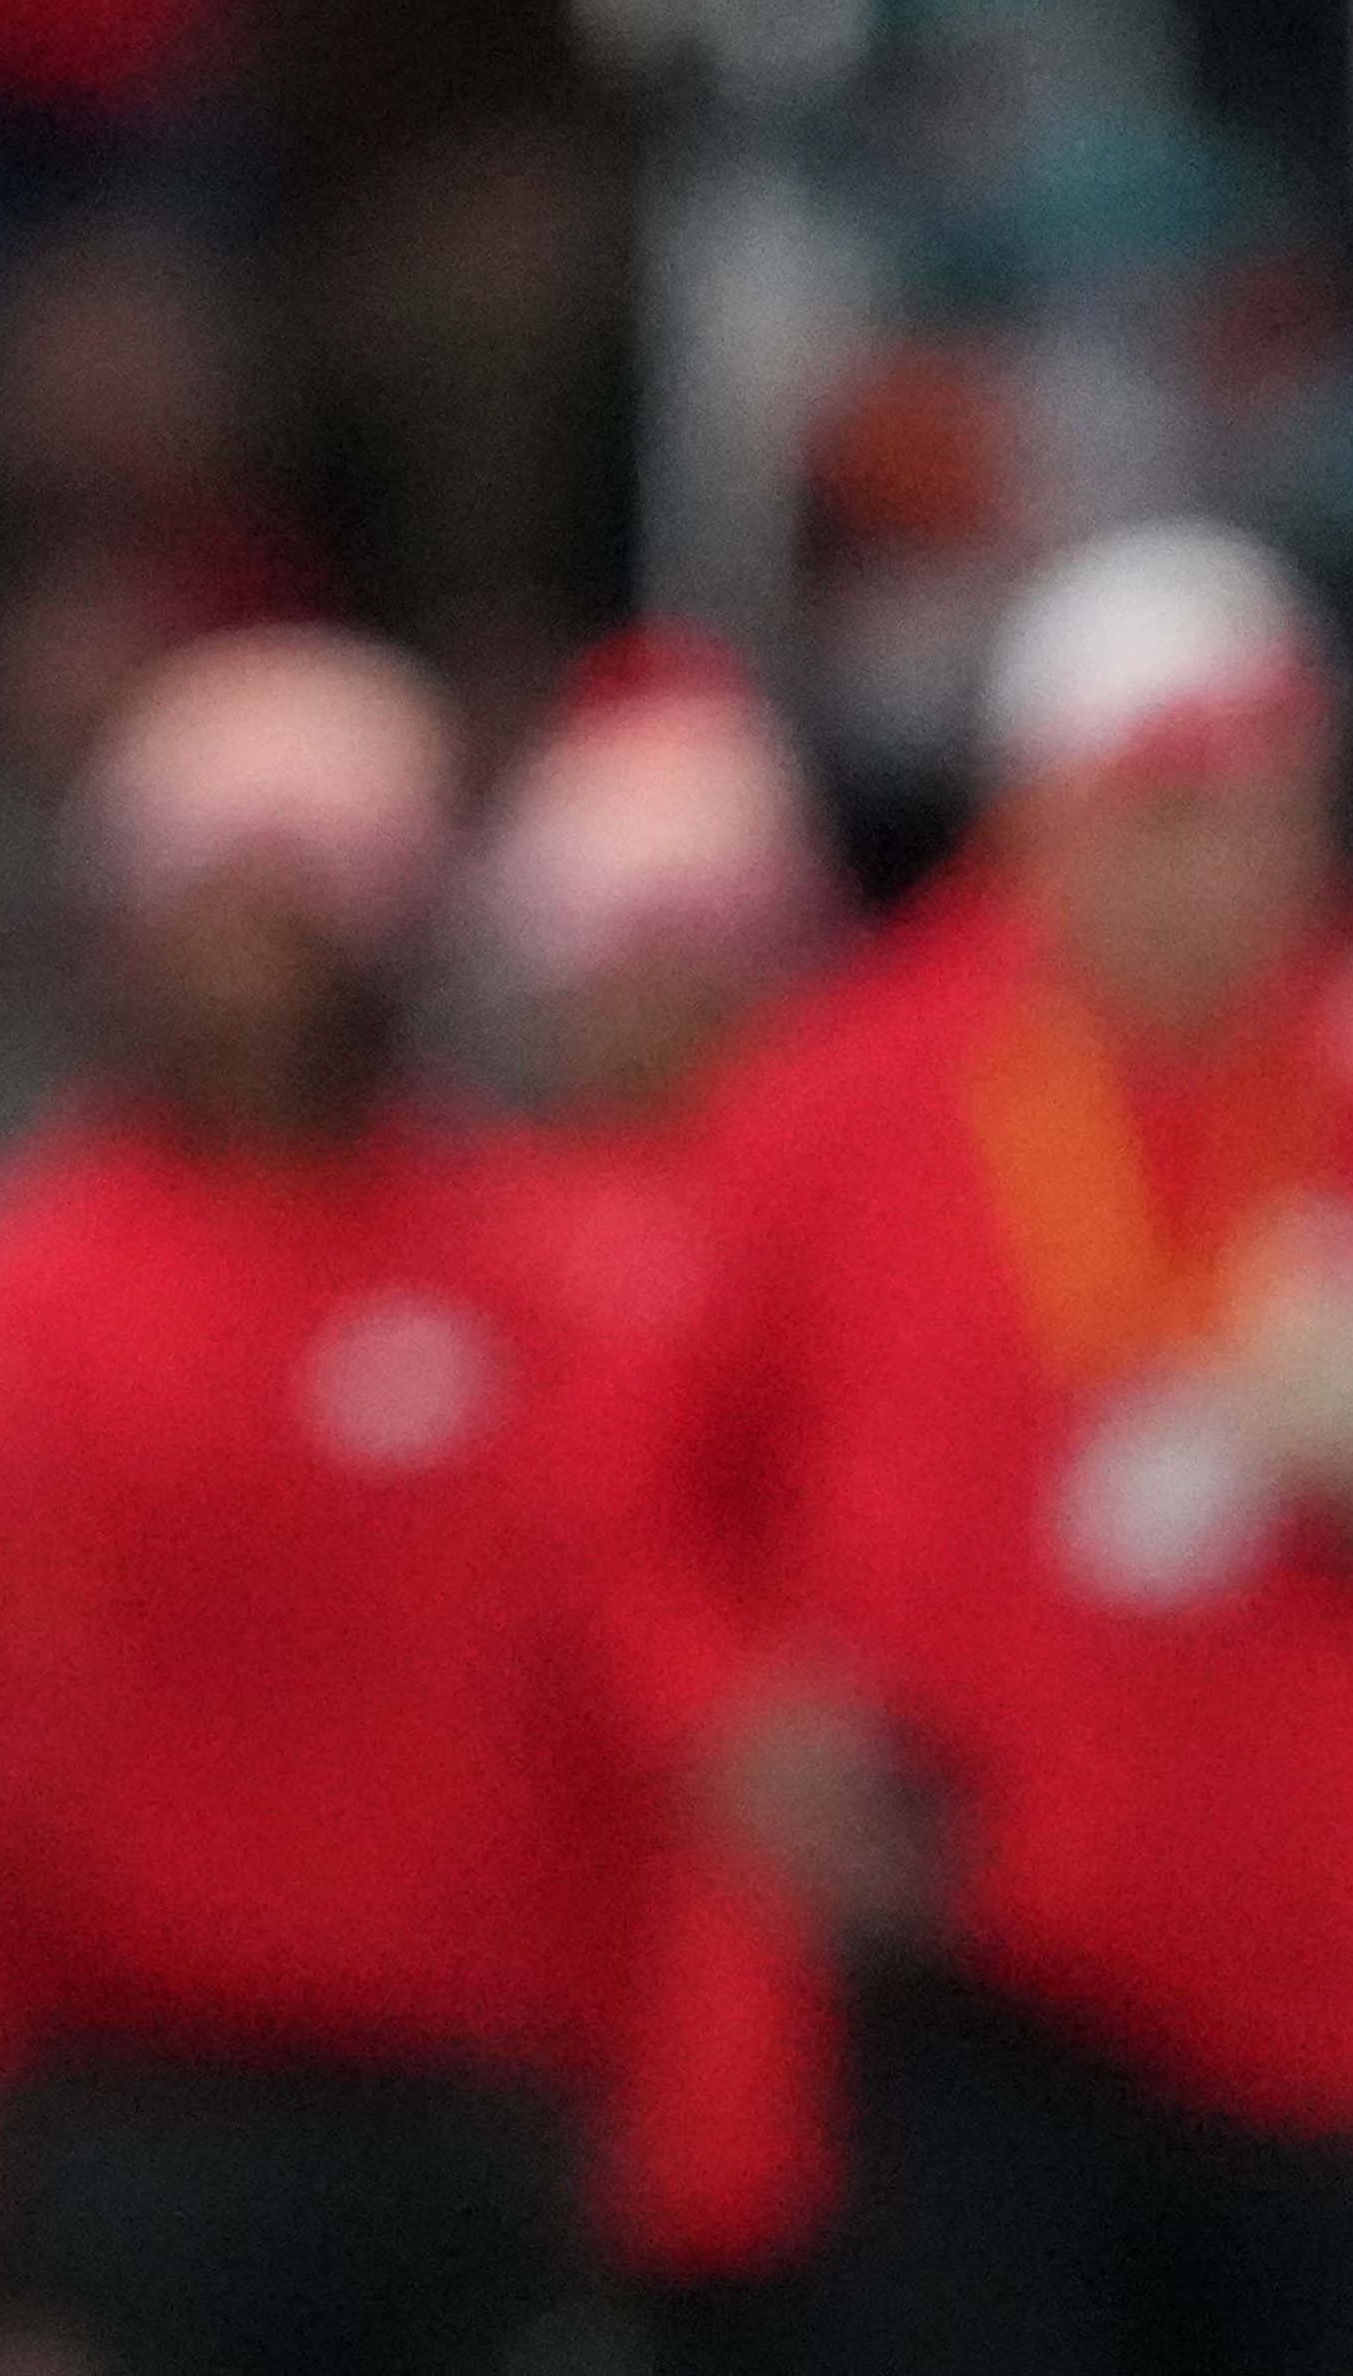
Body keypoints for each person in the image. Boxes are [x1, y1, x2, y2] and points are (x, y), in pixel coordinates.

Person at [678, 531, 1353, 2376]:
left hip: (1339, 2007)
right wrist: (731, 1709)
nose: (1225, 864)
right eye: (1165, 806)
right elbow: (649, 1497)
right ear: (1038, 819)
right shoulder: (840, 1099)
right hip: (985, 1970)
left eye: (1268, 803)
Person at [0, 628, 659, 2376]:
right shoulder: (11, 1288)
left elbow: (611, 1701)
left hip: (471, 2108)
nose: (250, 959)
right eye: (210, 895)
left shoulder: (531, 1270)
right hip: (113, 2104)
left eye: (300, 892)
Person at [465, 643, 853, 2376]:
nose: (657, 1006)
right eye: (620, 958)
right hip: (517, 1918)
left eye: (698, 958)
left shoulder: (841, 1210)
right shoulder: (463, 1224)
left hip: (760, 1924)